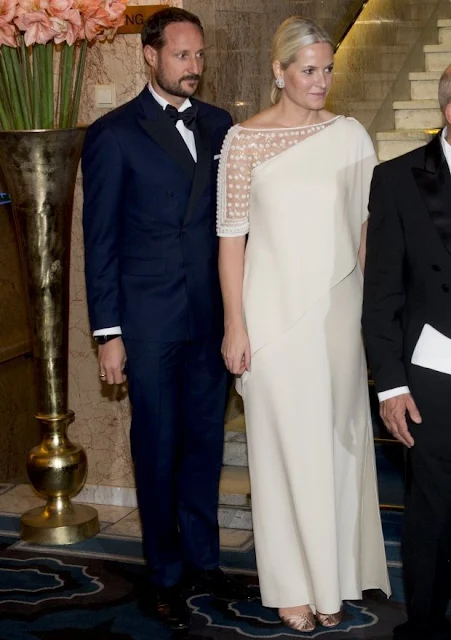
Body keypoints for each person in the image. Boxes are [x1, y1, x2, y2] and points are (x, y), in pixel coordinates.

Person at [217, 15, 391, 632]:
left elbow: (369, 238)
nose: (322, 81)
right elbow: (231, 242)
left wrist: (378, 325)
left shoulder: (352, 137)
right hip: (271, 322)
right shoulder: (243, 142)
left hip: (339, 318)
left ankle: (333, 577)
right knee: (281, 450)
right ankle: (291, 583)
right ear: (279, 72)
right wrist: (235, 326)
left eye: (328, 69)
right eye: (309, 70)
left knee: (337, 450)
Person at [82, 7, 248, 631]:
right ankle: (165, 572)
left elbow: (233, 225)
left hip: (208, 317)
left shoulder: (222, 125)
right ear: (149, 56)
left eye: (199, 56)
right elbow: (100, 242)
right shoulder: (114, 134)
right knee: (157, 446)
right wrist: (109, 333)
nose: (194, 67)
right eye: (183, 55)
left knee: (205, 443)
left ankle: (205, 559)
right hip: (147, 323)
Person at [363, 65, 451, 640]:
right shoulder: (396, 179)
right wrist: (390, 385)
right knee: (434, 509)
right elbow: (382, 294)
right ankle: (424, 626)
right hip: (435, 373)